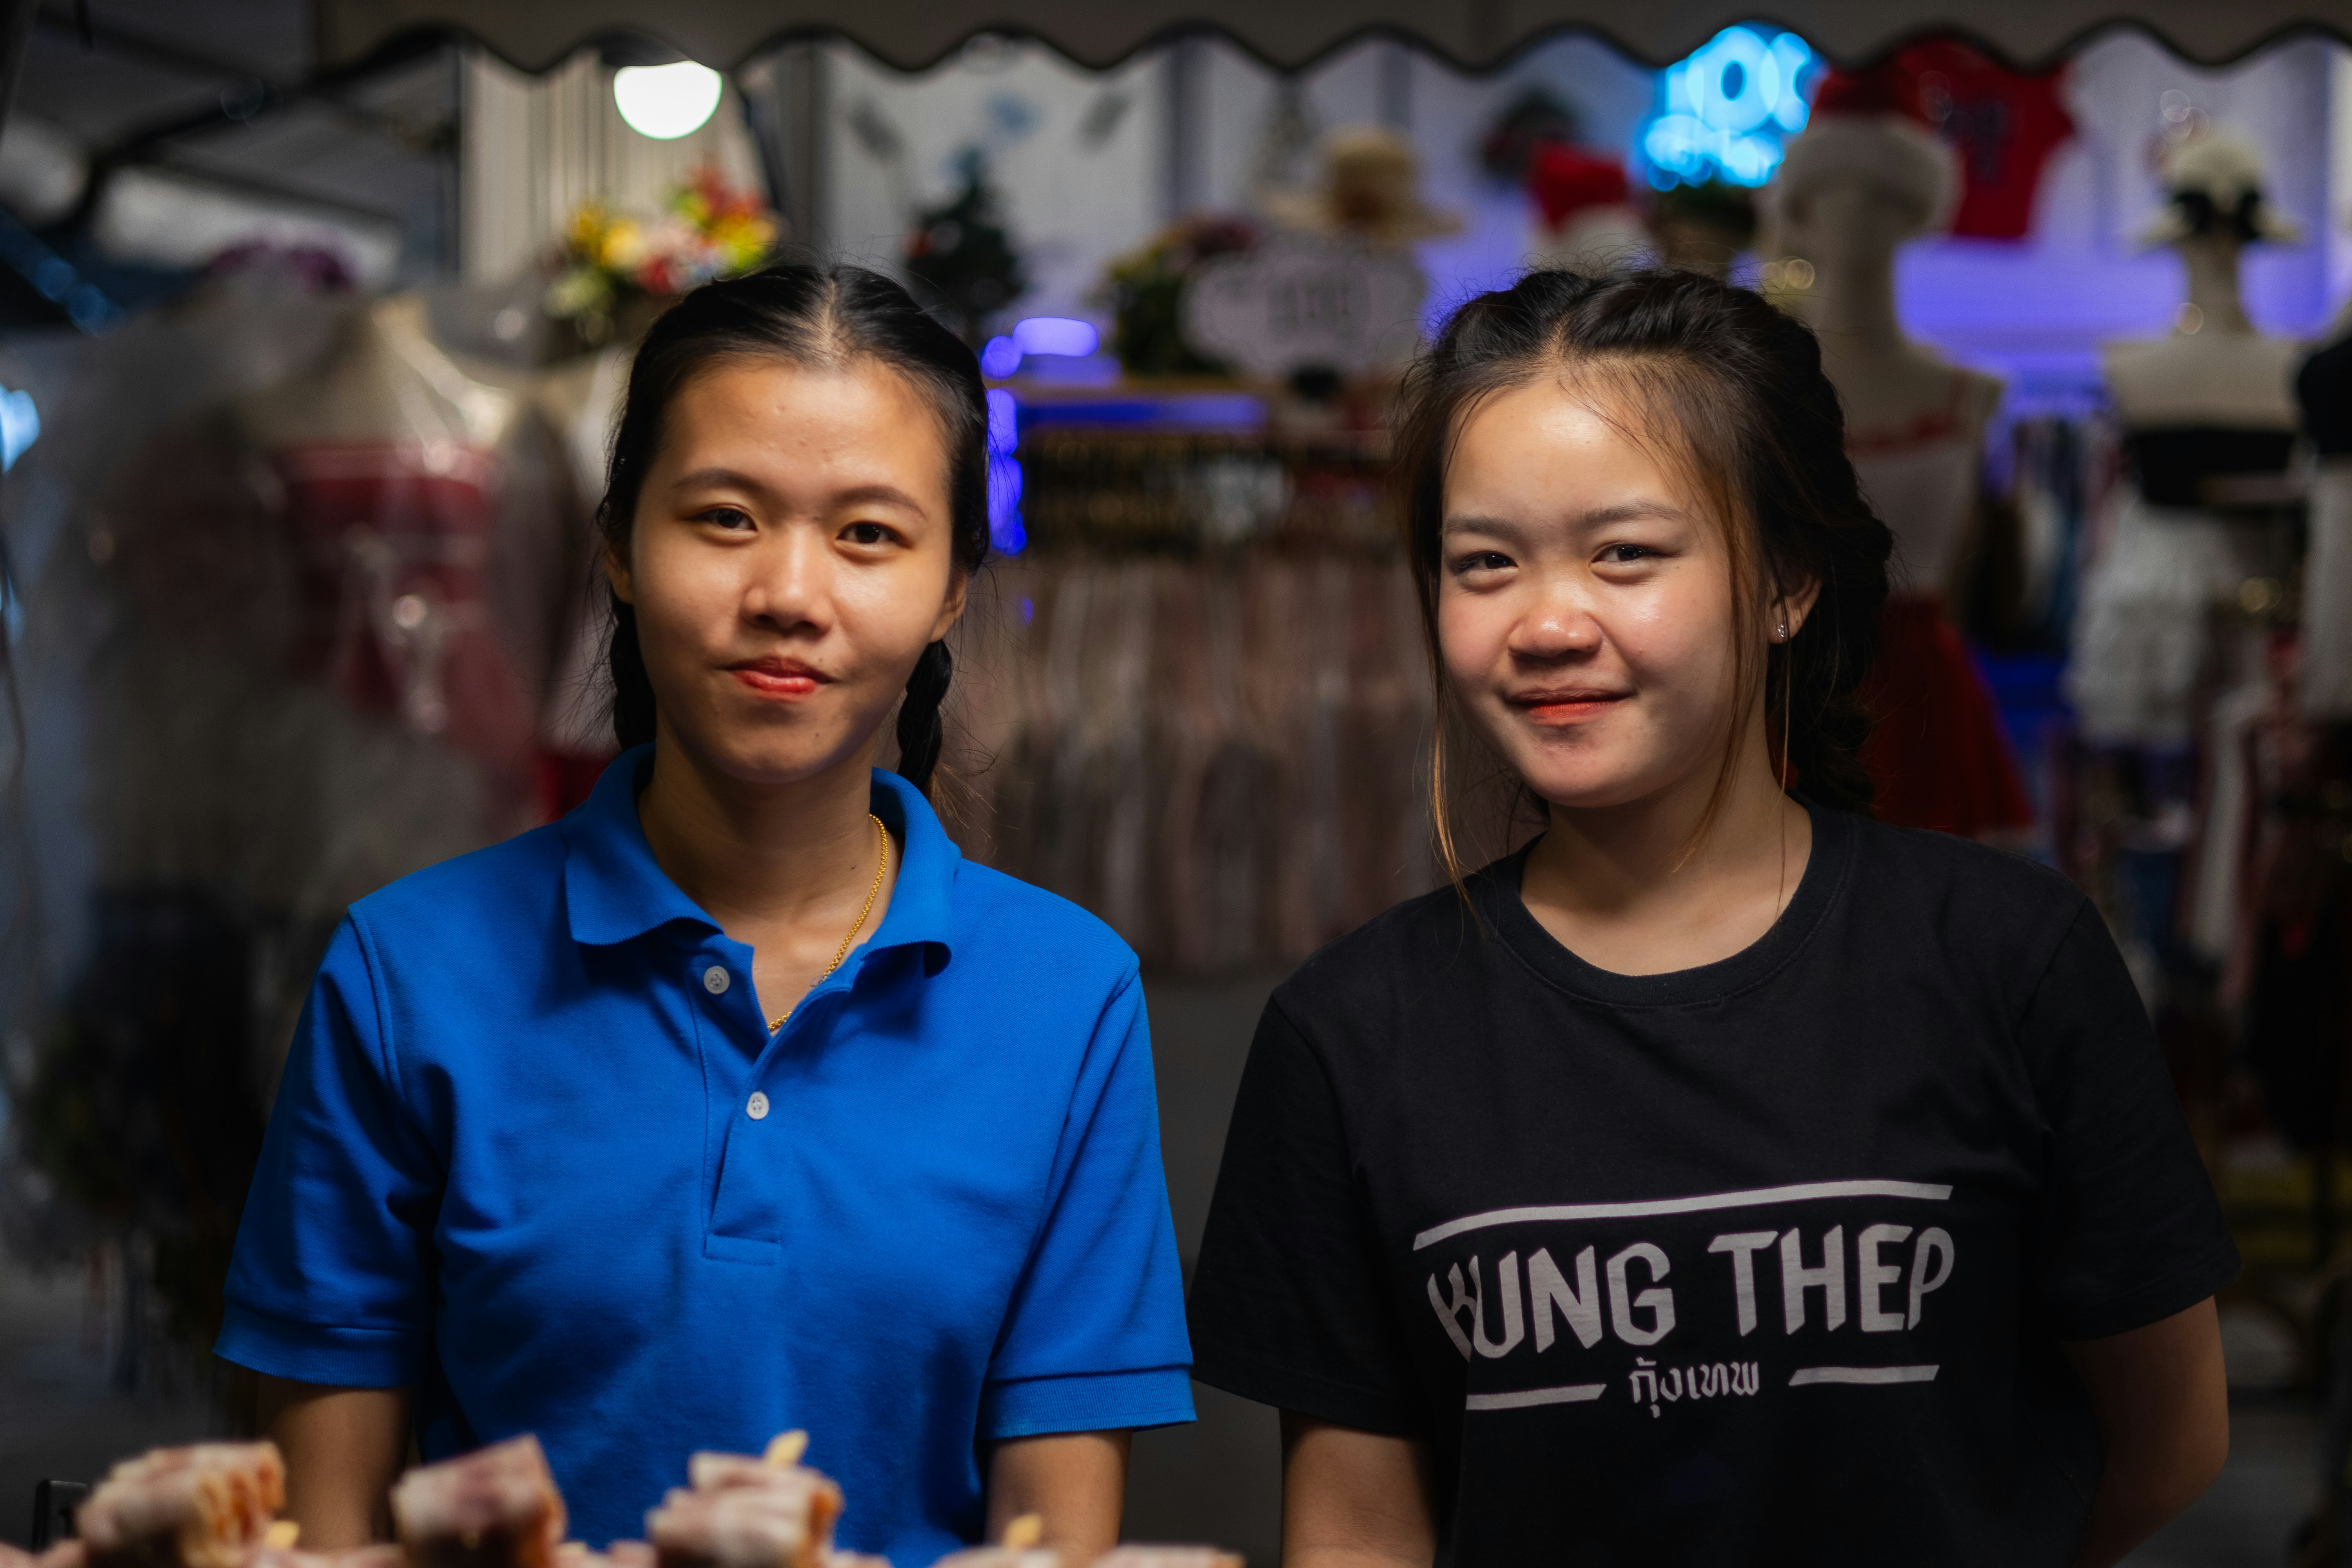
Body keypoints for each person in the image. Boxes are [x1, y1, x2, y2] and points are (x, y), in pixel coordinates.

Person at [1186, 268, 2234, 1566]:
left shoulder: (2006, 960)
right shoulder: (1350, 1033)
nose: (1550, 623)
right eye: (1485, 564)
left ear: (1785, 579)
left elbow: (2172, 1439)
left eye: (1626, 554)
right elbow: (1356, 1534)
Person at [216, 265, 1194, 1564]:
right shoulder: (408, 975)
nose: (790, 591)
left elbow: (1052, 1542)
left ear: (956, 583)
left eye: (869, 535)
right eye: (725, 517)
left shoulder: (1069, 997)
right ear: (620, 545)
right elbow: (322, 1533)